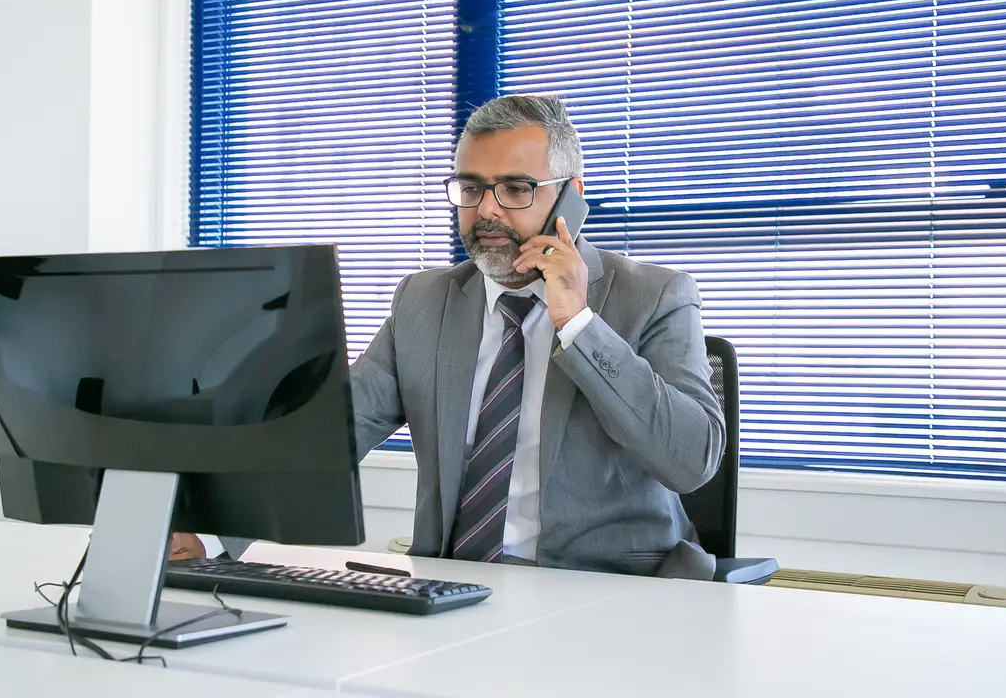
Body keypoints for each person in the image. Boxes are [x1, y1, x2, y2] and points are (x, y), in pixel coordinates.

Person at [176, 95, 725, 579]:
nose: (486, 210)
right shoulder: (424, 301)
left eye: (515, 189)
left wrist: (578, 324)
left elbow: (691, 461)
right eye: (471, 188)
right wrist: (210, 533)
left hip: (610, 595)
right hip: (455, 590)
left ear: (570, 198)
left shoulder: (654, 295)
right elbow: (330, 435)